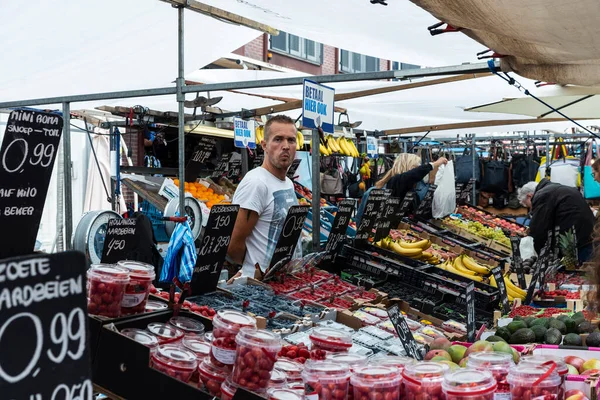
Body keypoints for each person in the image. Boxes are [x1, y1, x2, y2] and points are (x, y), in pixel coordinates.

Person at [227, 115, 300, 277]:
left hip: (282, 283)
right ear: (264, 146)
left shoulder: (287, 182)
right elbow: (233, 244)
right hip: (260, 288)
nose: (286, 146)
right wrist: (253, 267)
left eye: (291, 140)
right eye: (278, 139)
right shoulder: (256, 183)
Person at [355, 153, 448, 224]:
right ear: (408, 168)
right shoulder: (395, 183)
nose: (419, 175)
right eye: (416, 168)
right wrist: (435, 164)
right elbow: (359, 221)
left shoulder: (411, 192)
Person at [517, 179, 594, 262]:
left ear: (529, 196)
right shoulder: (555, 188)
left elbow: (539, 229)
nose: (531, 209)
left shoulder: (543, 195)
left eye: (528, 205)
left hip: (577, 242)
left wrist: (541, 258)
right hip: (588, 235)